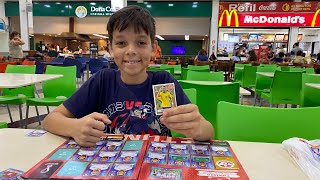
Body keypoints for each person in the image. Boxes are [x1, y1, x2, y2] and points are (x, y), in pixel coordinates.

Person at [43, 5, 214, 147]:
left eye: (141, 43)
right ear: (110, 48)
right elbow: (50, 120)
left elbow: (207, 132)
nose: (131, 51)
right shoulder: (103, 81)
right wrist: (74, 127)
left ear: (153, 48)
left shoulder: (163, 82)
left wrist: (198, 127)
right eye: (121, 43)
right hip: (110, 165)